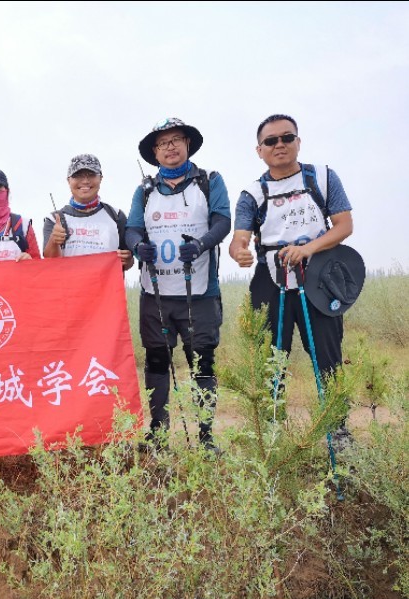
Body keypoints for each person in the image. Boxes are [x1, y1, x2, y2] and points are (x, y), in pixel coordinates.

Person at [229, 114, 355, 448]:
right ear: (259, 150)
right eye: (271, 141)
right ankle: (272, 429)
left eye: (287, 137)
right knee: (272, 357)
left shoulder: (323, 178)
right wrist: (239, 250)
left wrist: (308, 248)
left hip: (320, 278)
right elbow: (239, 236)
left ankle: (338, 429)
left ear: (298, 141)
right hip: (271, 281)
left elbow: (343, 226)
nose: (280, 145)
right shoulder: (253, 193)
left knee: (327, 355)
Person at [126, 118, 231, 452]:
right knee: (156, 359)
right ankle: (158, 433)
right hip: (155, 292)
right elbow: (131, 228)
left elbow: (223, 221)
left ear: (187, 144)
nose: (170, 147)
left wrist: (201, 244)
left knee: (201, 360)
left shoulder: (209, 181)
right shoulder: (144, 190)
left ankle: (205, 436)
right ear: (154, 153)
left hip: (199, 292)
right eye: (162, 143)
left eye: (176, 140)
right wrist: (135, 246)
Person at [42, 153, 134, 271]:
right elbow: (50, 262)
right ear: (69, 180)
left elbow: (127, 262)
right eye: (78, 175)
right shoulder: (54, 219)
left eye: (91, 175)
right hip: (68, 288)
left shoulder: (116, 216)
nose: (85, 181)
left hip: (105, 289)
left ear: (100, 178)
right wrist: (54, 241)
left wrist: (128, 259)